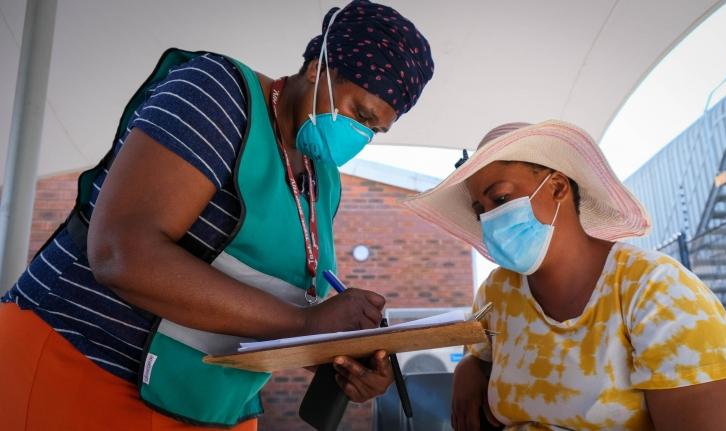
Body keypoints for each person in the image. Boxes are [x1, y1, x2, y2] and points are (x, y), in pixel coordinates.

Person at [0, 1, 434, 429]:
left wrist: (342, 357)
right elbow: (121, 253)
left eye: (374, 131)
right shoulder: (217, 94)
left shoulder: (324, 180)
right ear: (317, 69)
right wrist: (304, 322)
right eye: (360, 114)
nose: (359, 136)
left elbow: (266, 313)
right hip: (82, 367)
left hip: (210, 405)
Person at [403, 121, 726, 431]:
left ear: (557, 187)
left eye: (501, 197)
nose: (489, 219)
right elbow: (481, 352)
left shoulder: (657, 291)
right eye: (480, 210)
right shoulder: (498, 292)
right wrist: (470, 368)